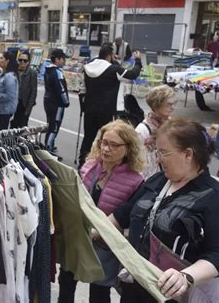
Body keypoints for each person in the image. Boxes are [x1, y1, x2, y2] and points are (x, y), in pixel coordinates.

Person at [100, 118, 219, 302]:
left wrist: (186, 277)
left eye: (163, 152)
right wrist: (91, 228)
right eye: (157, 151)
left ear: (187, 155)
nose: (158, 158)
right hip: (134, 287)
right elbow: (123, 215)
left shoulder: (217, 198)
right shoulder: (157, 181)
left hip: (172, 295)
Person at [59, 120, 144, 303]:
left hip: (106, 244)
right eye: (104, 143)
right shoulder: (90, 166)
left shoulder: (135, 180)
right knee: (66, 281)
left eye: (114, 145)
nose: (106, 149)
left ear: (128, 148)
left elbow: (128, 217)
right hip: (79, 237)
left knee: (99, 292)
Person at [78, 43, 142, 167]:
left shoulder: (87, 68)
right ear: (109, 56)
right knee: (108, 140)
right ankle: (104, 164)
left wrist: (83, 108)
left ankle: (82, 163)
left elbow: (82, 90)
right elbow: (133, 74)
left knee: (88, 138)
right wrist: (138, 60)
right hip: (108, 111)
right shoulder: (113, 70)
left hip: (90, 110)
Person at [136, 85, 176, 179]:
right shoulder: (142, 130)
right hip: (152, 179)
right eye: (169, 104)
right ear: (157, 105)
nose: (173, 107)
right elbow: (138, 163)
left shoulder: (171, 123)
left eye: (174, 104)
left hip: (170, 175)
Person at [43, 48, 70, 153]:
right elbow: (61, 89)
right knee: (54, 126)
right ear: (57, 59)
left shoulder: (47, 70)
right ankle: (48, 148)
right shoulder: (57, 72)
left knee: (50, 124)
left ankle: (49, 145)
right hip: (57, 103)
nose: (64, 61)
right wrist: (66, 102)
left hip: (48, 100)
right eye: (63, 59)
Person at [10, 50, 37, 128]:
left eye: (25, 61)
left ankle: (20, 140)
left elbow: (33, 92)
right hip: (13, 101)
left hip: (24, 103)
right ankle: (12, 140)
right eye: (20, 60)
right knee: (13, 126)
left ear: (28, 62)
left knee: (22, 126)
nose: (22, 62)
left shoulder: (32, 73)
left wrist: (28, 109)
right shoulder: (13, 71)